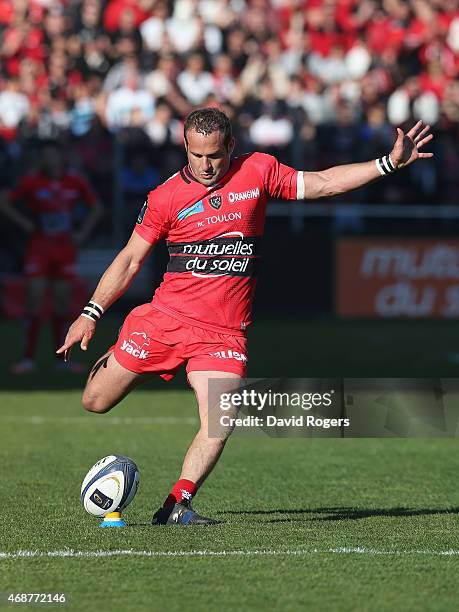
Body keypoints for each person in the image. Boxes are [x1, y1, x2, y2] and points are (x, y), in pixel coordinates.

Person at [57, 108, 433, 525]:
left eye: (214, 155)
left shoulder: (258, 171)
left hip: (222, 334)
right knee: (95, 401)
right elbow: (129, 259)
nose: (205, 165)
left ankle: (175, 506)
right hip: (163, 321)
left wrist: (386, 163)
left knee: (221, 417)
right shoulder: (165, 197)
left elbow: (323, 182)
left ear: (231, 147)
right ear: (185, 148)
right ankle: (133, 361)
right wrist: (90, 313)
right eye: (196, 155)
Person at [1, 140, 103, 374]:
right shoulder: (32, 180)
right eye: (46, 156)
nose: (50, 160)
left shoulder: (74, 180)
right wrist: (25, 223)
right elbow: (5, 201)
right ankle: (27, 358)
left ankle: (61, 359)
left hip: (64, 247)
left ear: (61, 157)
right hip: (39, 246)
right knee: (35, 299)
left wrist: (82, 233)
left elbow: (96, 207)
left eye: (53, 155)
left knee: (61, 302)